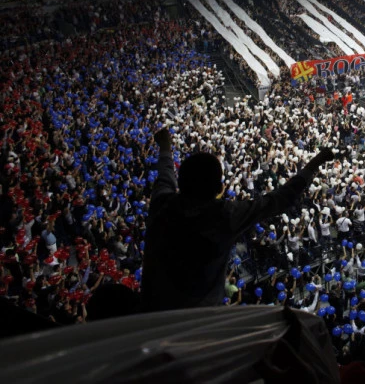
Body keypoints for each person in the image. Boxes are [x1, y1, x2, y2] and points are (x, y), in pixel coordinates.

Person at [141, 129, 334, 311]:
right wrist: (316, 162)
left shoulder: (161, 203)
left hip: (150, 315)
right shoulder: (225, 215)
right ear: (219, 189)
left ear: (181, 182)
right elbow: (281, 198)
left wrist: (165, 147)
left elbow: (165, 175)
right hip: (199, 320)